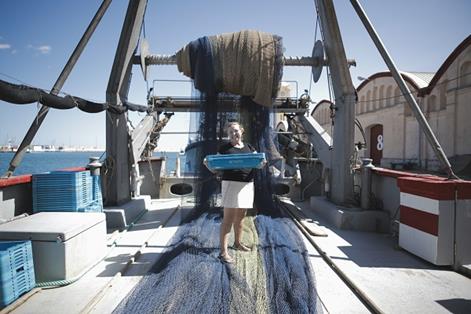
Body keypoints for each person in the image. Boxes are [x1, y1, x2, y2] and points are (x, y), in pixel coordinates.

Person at [204, 121, 255, 263]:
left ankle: (237, 244)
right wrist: (208, 164)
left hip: (247, 185)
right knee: (228, 220)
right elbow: (214, 166)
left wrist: (262, 163)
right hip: (231, 185)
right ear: (228, 135)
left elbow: (258, 161)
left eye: (236, 131)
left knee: (240, 219)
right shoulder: (224, 149)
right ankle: (223, 252)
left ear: (242, 131)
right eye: (230, 132)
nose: (234, 134)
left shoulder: (250, 147)